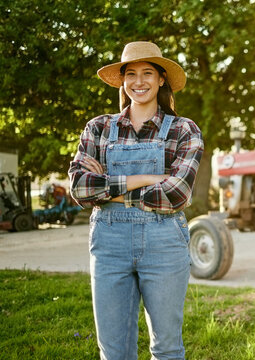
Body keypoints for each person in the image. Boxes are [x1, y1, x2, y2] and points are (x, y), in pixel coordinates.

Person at [68, 41, 204, 360]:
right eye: (131, 73)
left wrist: (109, 187)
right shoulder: (98, 128)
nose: (138, 81)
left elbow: (177, 193)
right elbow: (80, 188)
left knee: (167, 348)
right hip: (109, 241)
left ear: (160, 80)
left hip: (164, 239)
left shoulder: (184, 130)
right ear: (123, 81)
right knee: (114, 352)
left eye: (147, 73)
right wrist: (146, 178)